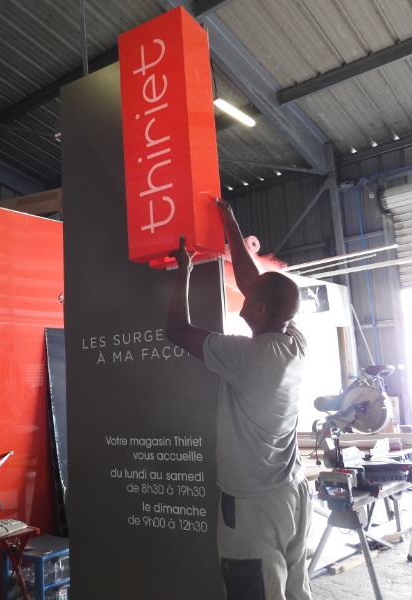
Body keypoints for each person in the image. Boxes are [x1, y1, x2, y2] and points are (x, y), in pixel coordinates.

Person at [165, 199, 312, 600]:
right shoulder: (293, 342)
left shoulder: (248, 357)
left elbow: (177, 330)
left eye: (250, 298)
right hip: (292, 493)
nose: (241, 297)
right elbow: (255, 286)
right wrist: (230, 223)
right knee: (295, 590)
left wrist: (184, 272)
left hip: (253, 506)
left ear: (259, 309)